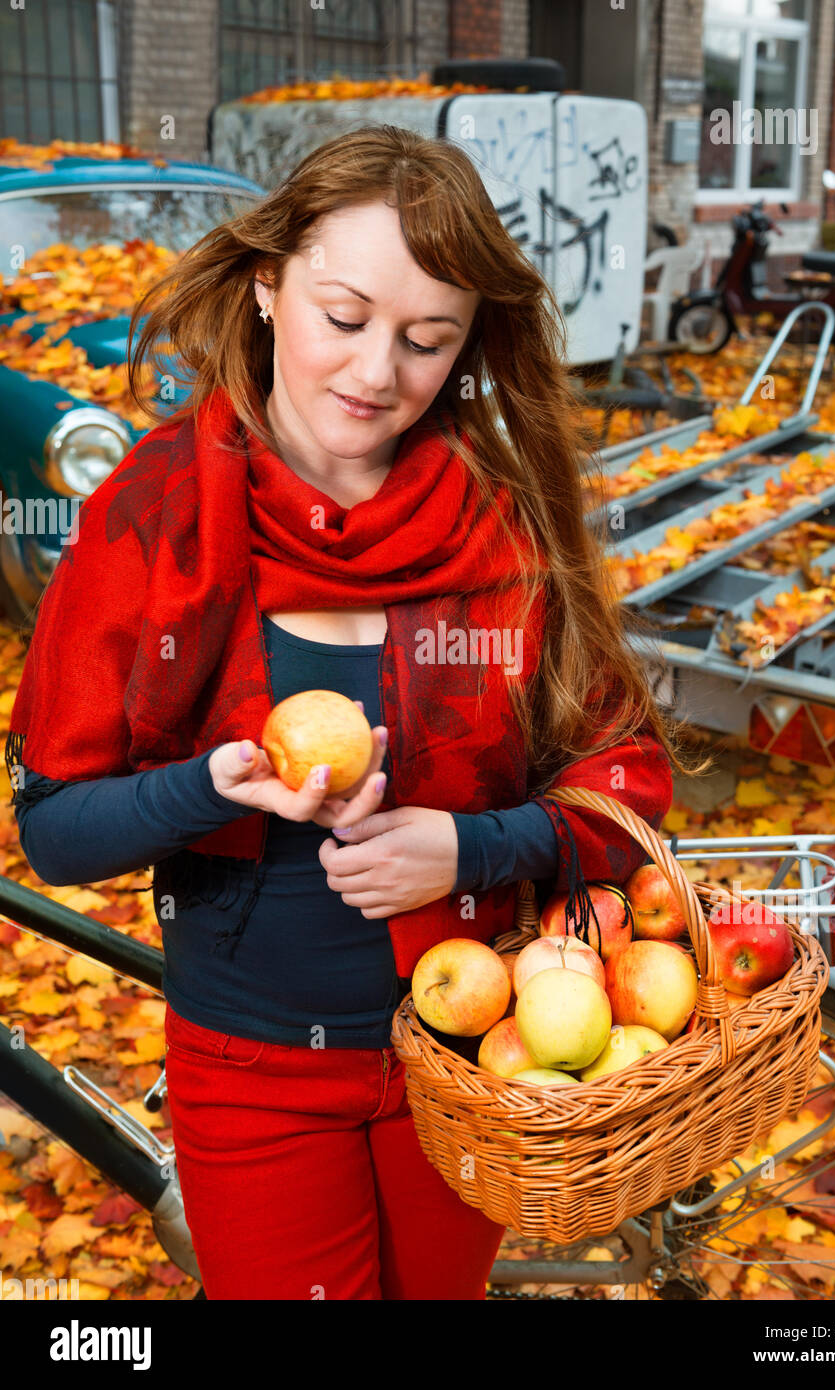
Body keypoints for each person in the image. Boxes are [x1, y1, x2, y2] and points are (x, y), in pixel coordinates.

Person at [5, 124, 708, 1300]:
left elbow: (623, 776)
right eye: (344, 316)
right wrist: (206, 786)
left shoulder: (501, 527)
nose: (378, 372)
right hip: (255, 1072)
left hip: (470, 1054)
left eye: (426, 340)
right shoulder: (153, 515)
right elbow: (56, 828)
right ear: (270, 285)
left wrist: (471, 847)